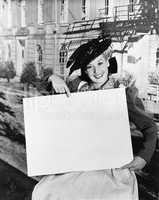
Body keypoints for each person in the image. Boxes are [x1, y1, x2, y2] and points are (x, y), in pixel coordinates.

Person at [32, 37, 157, 200]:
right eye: (89, 67)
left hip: (112, 167)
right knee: (45, 192)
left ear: (107, 62)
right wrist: (52, 78)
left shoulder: (123, 93)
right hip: (80, 164)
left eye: (99, 63)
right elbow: (42, 89)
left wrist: (143, 157)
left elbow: (150, 128)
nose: (96, 71)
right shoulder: (78, 88)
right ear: (84, 70)